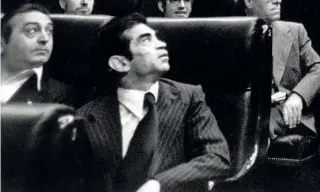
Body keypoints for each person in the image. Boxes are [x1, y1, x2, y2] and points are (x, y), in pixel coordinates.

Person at [78, 13, 231, 191]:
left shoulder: (189, 97)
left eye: (156, 37)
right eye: (146, 40)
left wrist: (158, 185)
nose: (162, 44)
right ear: (120, 63)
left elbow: (217, 157)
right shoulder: (85, 117)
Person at [239, 0, 320, 140]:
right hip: (246, 109)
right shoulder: (229, 34)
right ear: (248, 2)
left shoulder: (295, 31)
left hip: (283, 110)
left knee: (256, 126)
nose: (277, 1)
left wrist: (298, 96)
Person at [1, 4, 73, 105]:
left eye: (49, 31)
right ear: (2, 42)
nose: (45, 39)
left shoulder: (61, 95)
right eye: (32, 30)